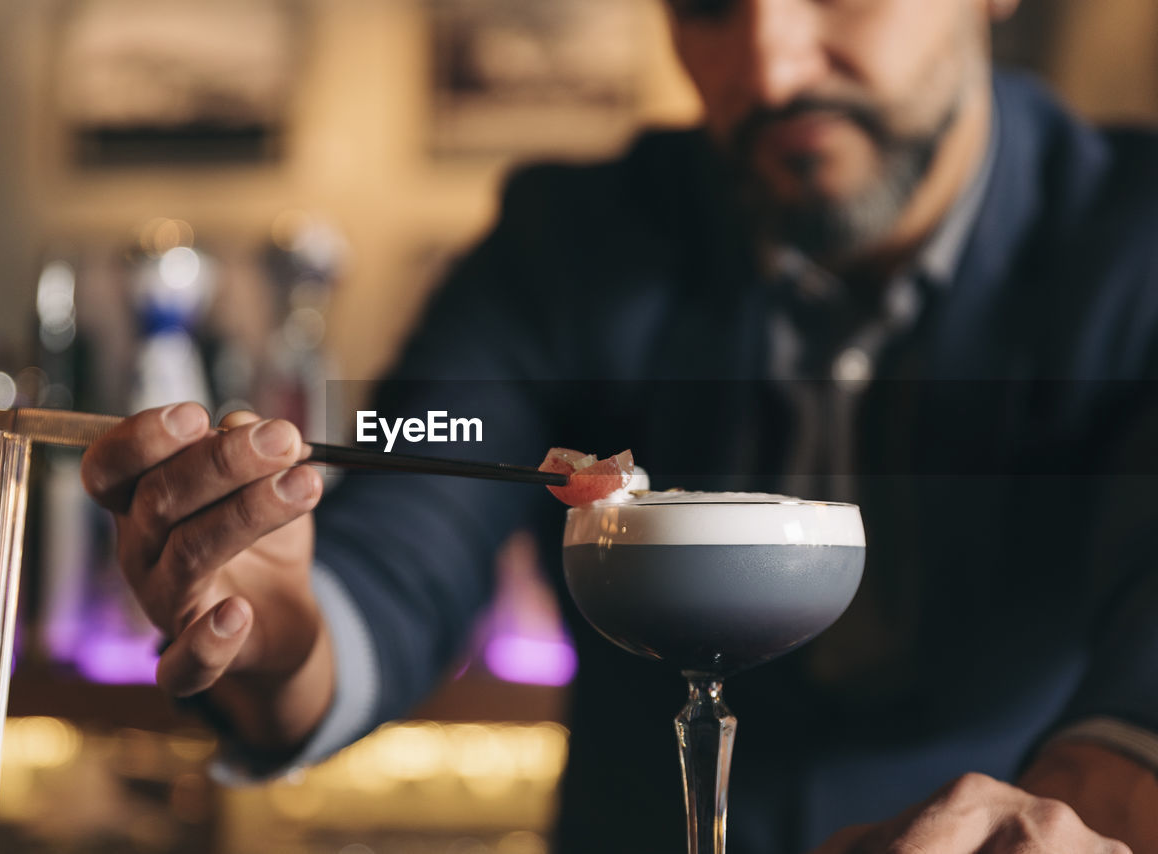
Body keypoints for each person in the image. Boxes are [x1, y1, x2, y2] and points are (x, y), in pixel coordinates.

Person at [81, 0, 1158, 851]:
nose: (770, 66)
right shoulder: (569, 244)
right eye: (702, 6)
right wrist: (283, 622)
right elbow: (436, 455)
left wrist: (1081, 800)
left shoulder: (1132, 243)